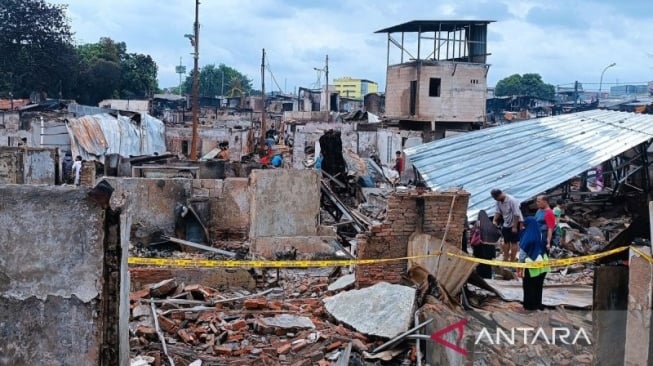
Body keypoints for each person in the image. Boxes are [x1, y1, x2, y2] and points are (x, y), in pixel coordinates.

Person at [518, 216, 550, 311]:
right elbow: (547, 248)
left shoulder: (528, 236)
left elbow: (523, 254)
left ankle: (529, 306)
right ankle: (538, 303)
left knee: (529, 285)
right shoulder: (541, 235)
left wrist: (519, 265)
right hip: (543, 264)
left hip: (532, 264)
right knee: (538, 285)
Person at [491, 189, 523, 262]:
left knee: (514, 242)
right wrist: (494, 220)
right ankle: (506, 257)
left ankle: (512, 259)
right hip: (506, 223)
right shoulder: (498, 202)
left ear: (499, 195)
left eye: (496, 198)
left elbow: (517, 214)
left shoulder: (512, 200)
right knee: (506, 241)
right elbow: (497, 211)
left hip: (514, 222)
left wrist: (515, 227)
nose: (496, 200)